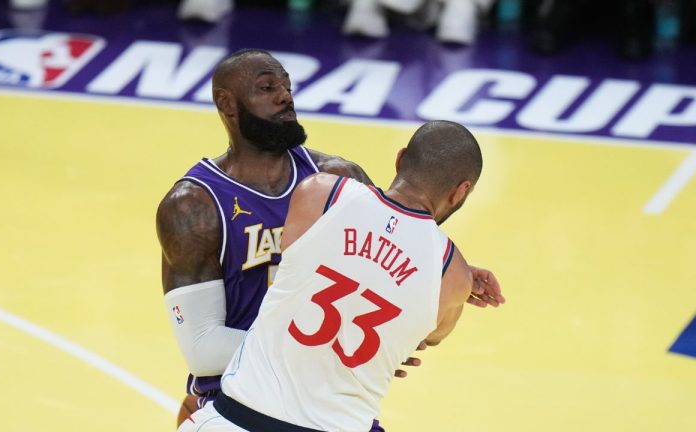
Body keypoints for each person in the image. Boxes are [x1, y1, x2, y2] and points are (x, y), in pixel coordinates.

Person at [156, 49, 503, 431]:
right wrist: (334, 350)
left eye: (287, 86)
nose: (285, 96)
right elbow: (204, 349)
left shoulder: (335, 179)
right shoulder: (195, 205)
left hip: (321, 400)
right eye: (268, 88)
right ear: (227, 103)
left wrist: (448, 277)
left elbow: (395, 239)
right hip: (236, 396)